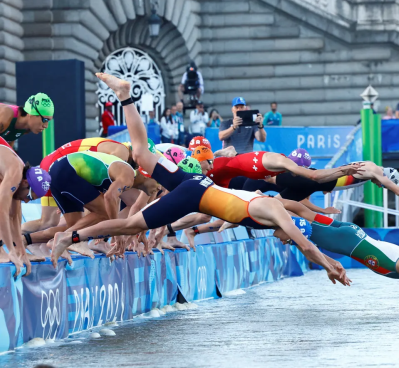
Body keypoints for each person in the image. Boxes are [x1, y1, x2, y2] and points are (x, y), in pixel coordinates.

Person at [51, 72, 350, 288]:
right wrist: (329, 265)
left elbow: (304, 213)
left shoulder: (274, 205)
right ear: (289, 228)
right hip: (196, 192)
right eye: (289, 239)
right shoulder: (278, 214)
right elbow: (307, 246)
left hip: (198, 183)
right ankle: (70, 237)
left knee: (140, 153)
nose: (285, 242)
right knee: (132, 224)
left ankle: (125, 94)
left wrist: (323, 217)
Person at [273, 207, 399, 309]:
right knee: (287, 226)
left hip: (350, 234)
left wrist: (331, 264)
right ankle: (266, 202)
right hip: (346, 240)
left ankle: (271, 202)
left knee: (297, 221)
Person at [22, 137, 136, 234]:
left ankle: (32, 241)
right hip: (61, 166)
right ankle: (21, 239)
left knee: (49, 222)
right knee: (99, 211)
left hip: (58, 164)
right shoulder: (122, 154)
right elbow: (110, 195)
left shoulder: (117, 148)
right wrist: (115, 233)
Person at [266, 160, 399, 218]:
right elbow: (398, 191)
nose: (380, 186)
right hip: (314, 180)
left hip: (318, 183)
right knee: (267, 179)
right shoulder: (375, 170)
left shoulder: (371, 171)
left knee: (276, 203)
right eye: (383, 185)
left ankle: (254, 199)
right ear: (386, 178)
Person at [192, 145, 363, 188]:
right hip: (220, 170)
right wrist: (343, 169)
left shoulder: (283, 163)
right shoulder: (283, 163)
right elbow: (314, 176)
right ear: (297, 165)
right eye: (299, 170)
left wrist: (342, 172)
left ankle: (229, 152)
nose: (297, 174)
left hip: (231, 169)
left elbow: (316, 177)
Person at [0, 136, 51, 276]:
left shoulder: (21, 175)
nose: (27, 201)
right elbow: (2, 213)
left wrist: (21, 251)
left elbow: (14, 216)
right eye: (29, 197)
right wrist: (10, 250)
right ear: (24, 183)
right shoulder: (15, 173)